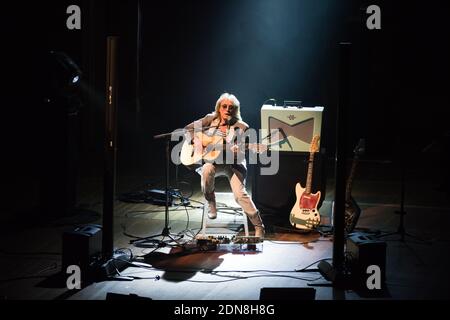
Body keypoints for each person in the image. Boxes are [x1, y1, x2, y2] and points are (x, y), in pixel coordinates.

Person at [184, 93, 265, 239]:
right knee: (207, 169)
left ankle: (259, 226)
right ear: (219, 108)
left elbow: (238, 153)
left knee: (240, 195)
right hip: (213, 162)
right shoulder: (210, 119)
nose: (227, 109)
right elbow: (188, 129)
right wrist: (197, 142)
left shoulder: (241, 127)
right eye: (224, 106)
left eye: (231, 107)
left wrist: (234, 151)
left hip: (233, 164)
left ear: (235, 110)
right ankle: (211, 201)